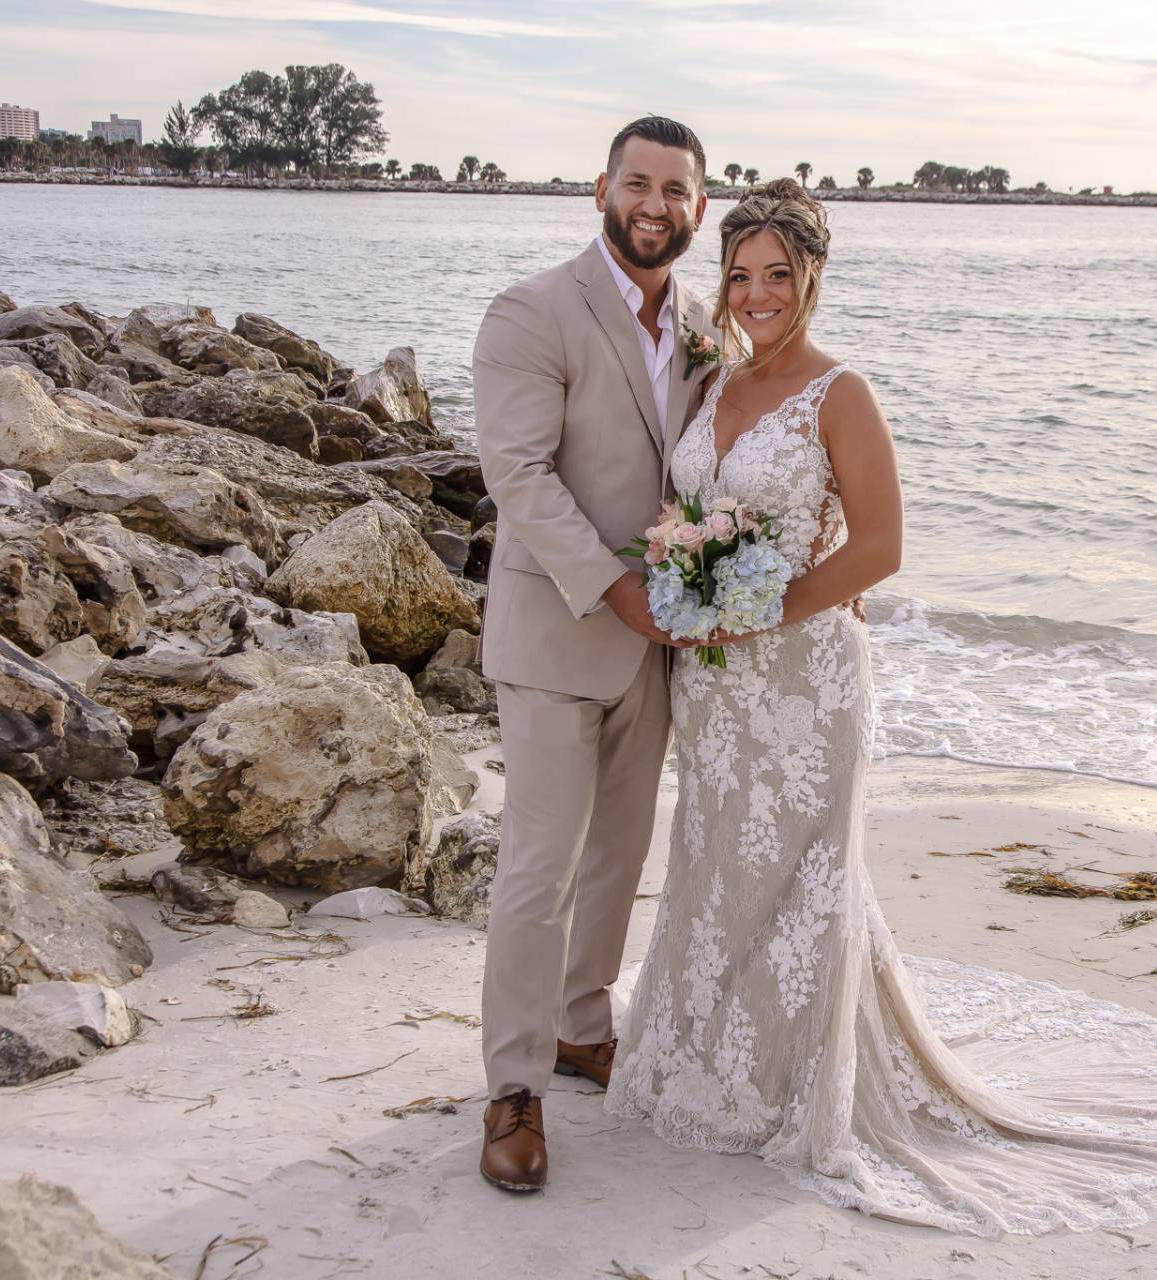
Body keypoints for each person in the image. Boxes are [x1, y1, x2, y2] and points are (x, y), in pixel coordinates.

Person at [603, 178, 1157, 1235]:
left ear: (811, 280)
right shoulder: (712, 385)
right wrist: (692, 591)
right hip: (714, 684)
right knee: (717, 864)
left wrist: (755, 612)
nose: (755, 296)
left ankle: (797, 1090)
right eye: (741, 275)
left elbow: (881, 547)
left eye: (777, 277)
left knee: (803, 880)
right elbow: (689, 513)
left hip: (805, 678)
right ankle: (709, 1064)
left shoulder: (842, 393)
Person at [468, 114, 717, 1193]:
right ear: (601, 190)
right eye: (638, 183)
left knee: (619, 856)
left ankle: (580, 1024)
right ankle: (512, 1084)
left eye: (676, 189)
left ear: (700, 208)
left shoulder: (710, 327)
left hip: (654, 647)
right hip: (558, 628)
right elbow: (518, 474)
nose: (654, 203)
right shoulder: (533, 310)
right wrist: (621, 589)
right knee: (539, 866)